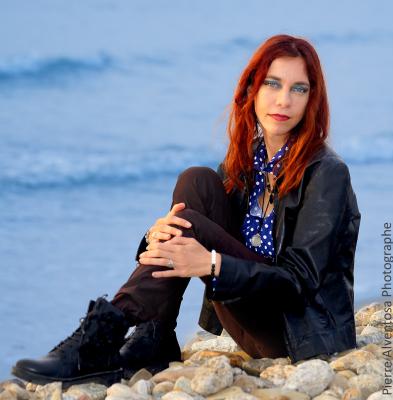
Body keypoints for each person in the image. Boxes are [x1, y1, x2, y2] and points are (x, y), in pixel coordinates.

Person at [12, 34, 361, 387]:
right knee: (196, 181)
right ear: (251, 89)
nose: (284, 100)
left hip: (294, 332)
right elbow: (190, 231)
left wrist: (213, 264)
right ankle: (156, 333)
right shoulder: (245, 162)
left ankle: (101, 334)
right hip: (245, 319)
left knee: (190, 219)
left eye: (299, 89)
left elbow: (300, 282)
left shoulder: (327, 173)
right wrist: (153, 236)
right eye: (273, 83)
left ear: (312, 99)